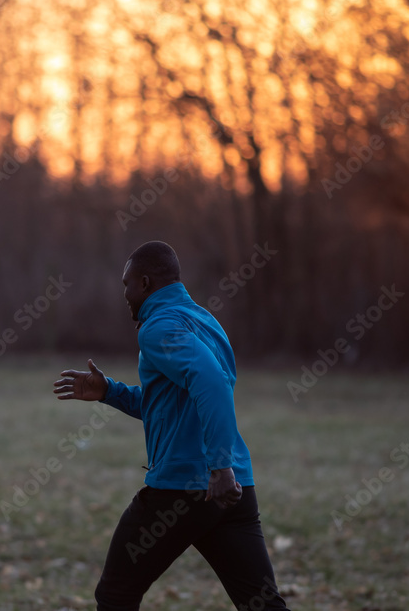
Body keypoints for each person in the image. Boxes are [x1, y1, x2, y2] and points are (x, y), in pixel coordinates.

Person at [53, 241, 290, 611]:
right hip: (234, 488)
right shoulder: (203, 320)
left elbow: (210, 382)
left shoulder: (157, 326)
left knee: (115, 595)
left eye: (127, 284)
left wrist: (218, 464)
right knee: (263, 605)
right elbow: (175, 405)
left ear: (145, 283)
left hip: (185, 489)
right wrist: (109, 392)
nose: (125, 294)